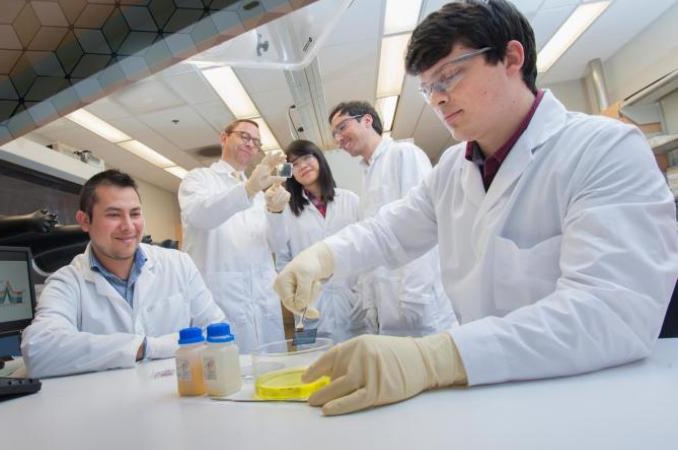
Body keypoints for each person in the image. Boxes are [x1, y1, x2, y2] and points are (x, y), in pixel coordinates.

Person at [274, 0, 678, 416]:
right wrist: (321, 258)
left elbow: (613, 310)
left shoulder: (603, 149)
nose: (438, 99)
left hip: (593, 403)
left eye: (449, 76)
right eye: (428, 88)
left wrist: (438, 357)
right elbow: (389, 231)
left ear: (511, 58)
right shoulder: (453, 168)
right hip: (492, 401)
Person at [22, 170, 225, 378]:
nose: (128, 226)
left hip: (182, 397)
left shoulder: (179, 264)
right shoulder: (67, 282)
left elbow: (218, 333)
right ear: (84, 220)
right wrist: (147, 347)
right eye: (113, 214)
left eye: (135, 213)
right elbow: (40, 350)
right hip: (108, 406)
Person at [328, 101, 457, 336]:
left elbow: (423, 225)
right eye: (335, 134)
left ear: (367, 120)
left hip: (417, 304)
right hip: (388, 306)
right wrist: (370, 302)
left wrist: (415, 294)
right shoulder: (367, 175)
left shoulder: (403, 154)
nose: (338, 138)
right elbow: (375, 240)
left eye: (342, 127)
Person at [178, 119, 286, 353]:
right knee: (228, 376)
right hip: (221, 299)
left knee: (273, 374)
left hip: (263, 300)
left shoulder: (258, 195)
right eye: (244, 137)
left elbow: (274, 244)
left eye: (256, 142)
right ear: (224, 137)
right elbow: (201, 215)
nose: (250, 145)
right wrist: (247, 190)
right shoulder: (198, 179)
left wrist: (277, 213)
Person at [264, 140, 365, 342]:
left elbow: (365, 249)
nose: (302, 166)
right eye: (294, 164)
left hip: (352, 302)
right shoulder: (287, 210)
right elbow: (281, 257)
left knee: (358, 365)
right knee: (312, 367)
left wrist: (363, 292)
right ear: (289, 172)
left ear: (319, 158)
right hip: (309, 307)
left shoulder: (349, 200)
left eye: (307, 157)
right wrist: (274, 212)